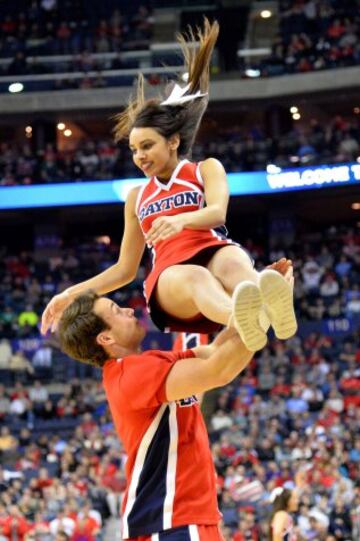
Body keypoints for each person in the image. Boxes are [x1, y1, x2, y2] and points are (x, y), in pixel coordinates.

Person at [41, 19, 296, 352]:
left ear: (173, 141)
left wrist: (180, 220)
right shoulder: (136, 197)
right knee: (195, 276)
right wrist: (68, 293)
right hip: (170, 279)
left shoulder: (206, 169)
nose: (139, 156)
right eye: (134, 149)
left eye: (147, 146)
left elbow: (217, 213)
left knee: (233, 259)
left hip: (213, 250)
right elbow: (123, 270)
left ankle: (266, 304)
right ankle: (249, 312)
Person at [57, 265, 292, 540]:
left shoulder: (144, 364)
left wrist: (264, 295)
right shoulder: (129, 374)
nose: (129, 310)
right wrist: (266, 314)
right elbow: (219, 370)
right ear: (105, 338)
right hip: (170, 518)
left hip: (178, 518)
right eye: (117, 311)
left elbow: (215, 351)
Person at [269, 470, 307, 541]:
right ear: (287, 501)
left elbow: (294, 493)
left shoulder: (283, 513)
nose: (297, 501)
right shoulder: (281, 514)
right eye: (294, 499)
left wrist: (299, 483)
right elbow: (277, 533)